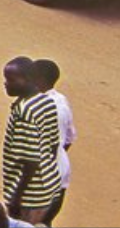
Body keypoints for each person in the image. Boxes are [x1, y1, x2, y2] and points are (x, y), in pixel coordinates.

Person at [1, 56, 62, 225]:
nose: (6, 83)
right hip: (46, 186)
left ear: (29, 80)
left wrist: (16, 197)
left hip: (29, 195)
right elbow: (54, 145)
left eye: (11, 80)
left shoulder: (25, 113)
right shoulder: (46, 101)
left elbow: (30, 161)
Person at [33, 59, 74, 227]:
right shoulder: (61, 101)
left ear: (40, 81)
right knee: (44, 222)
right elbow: (70, 138)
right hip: (61, 174)